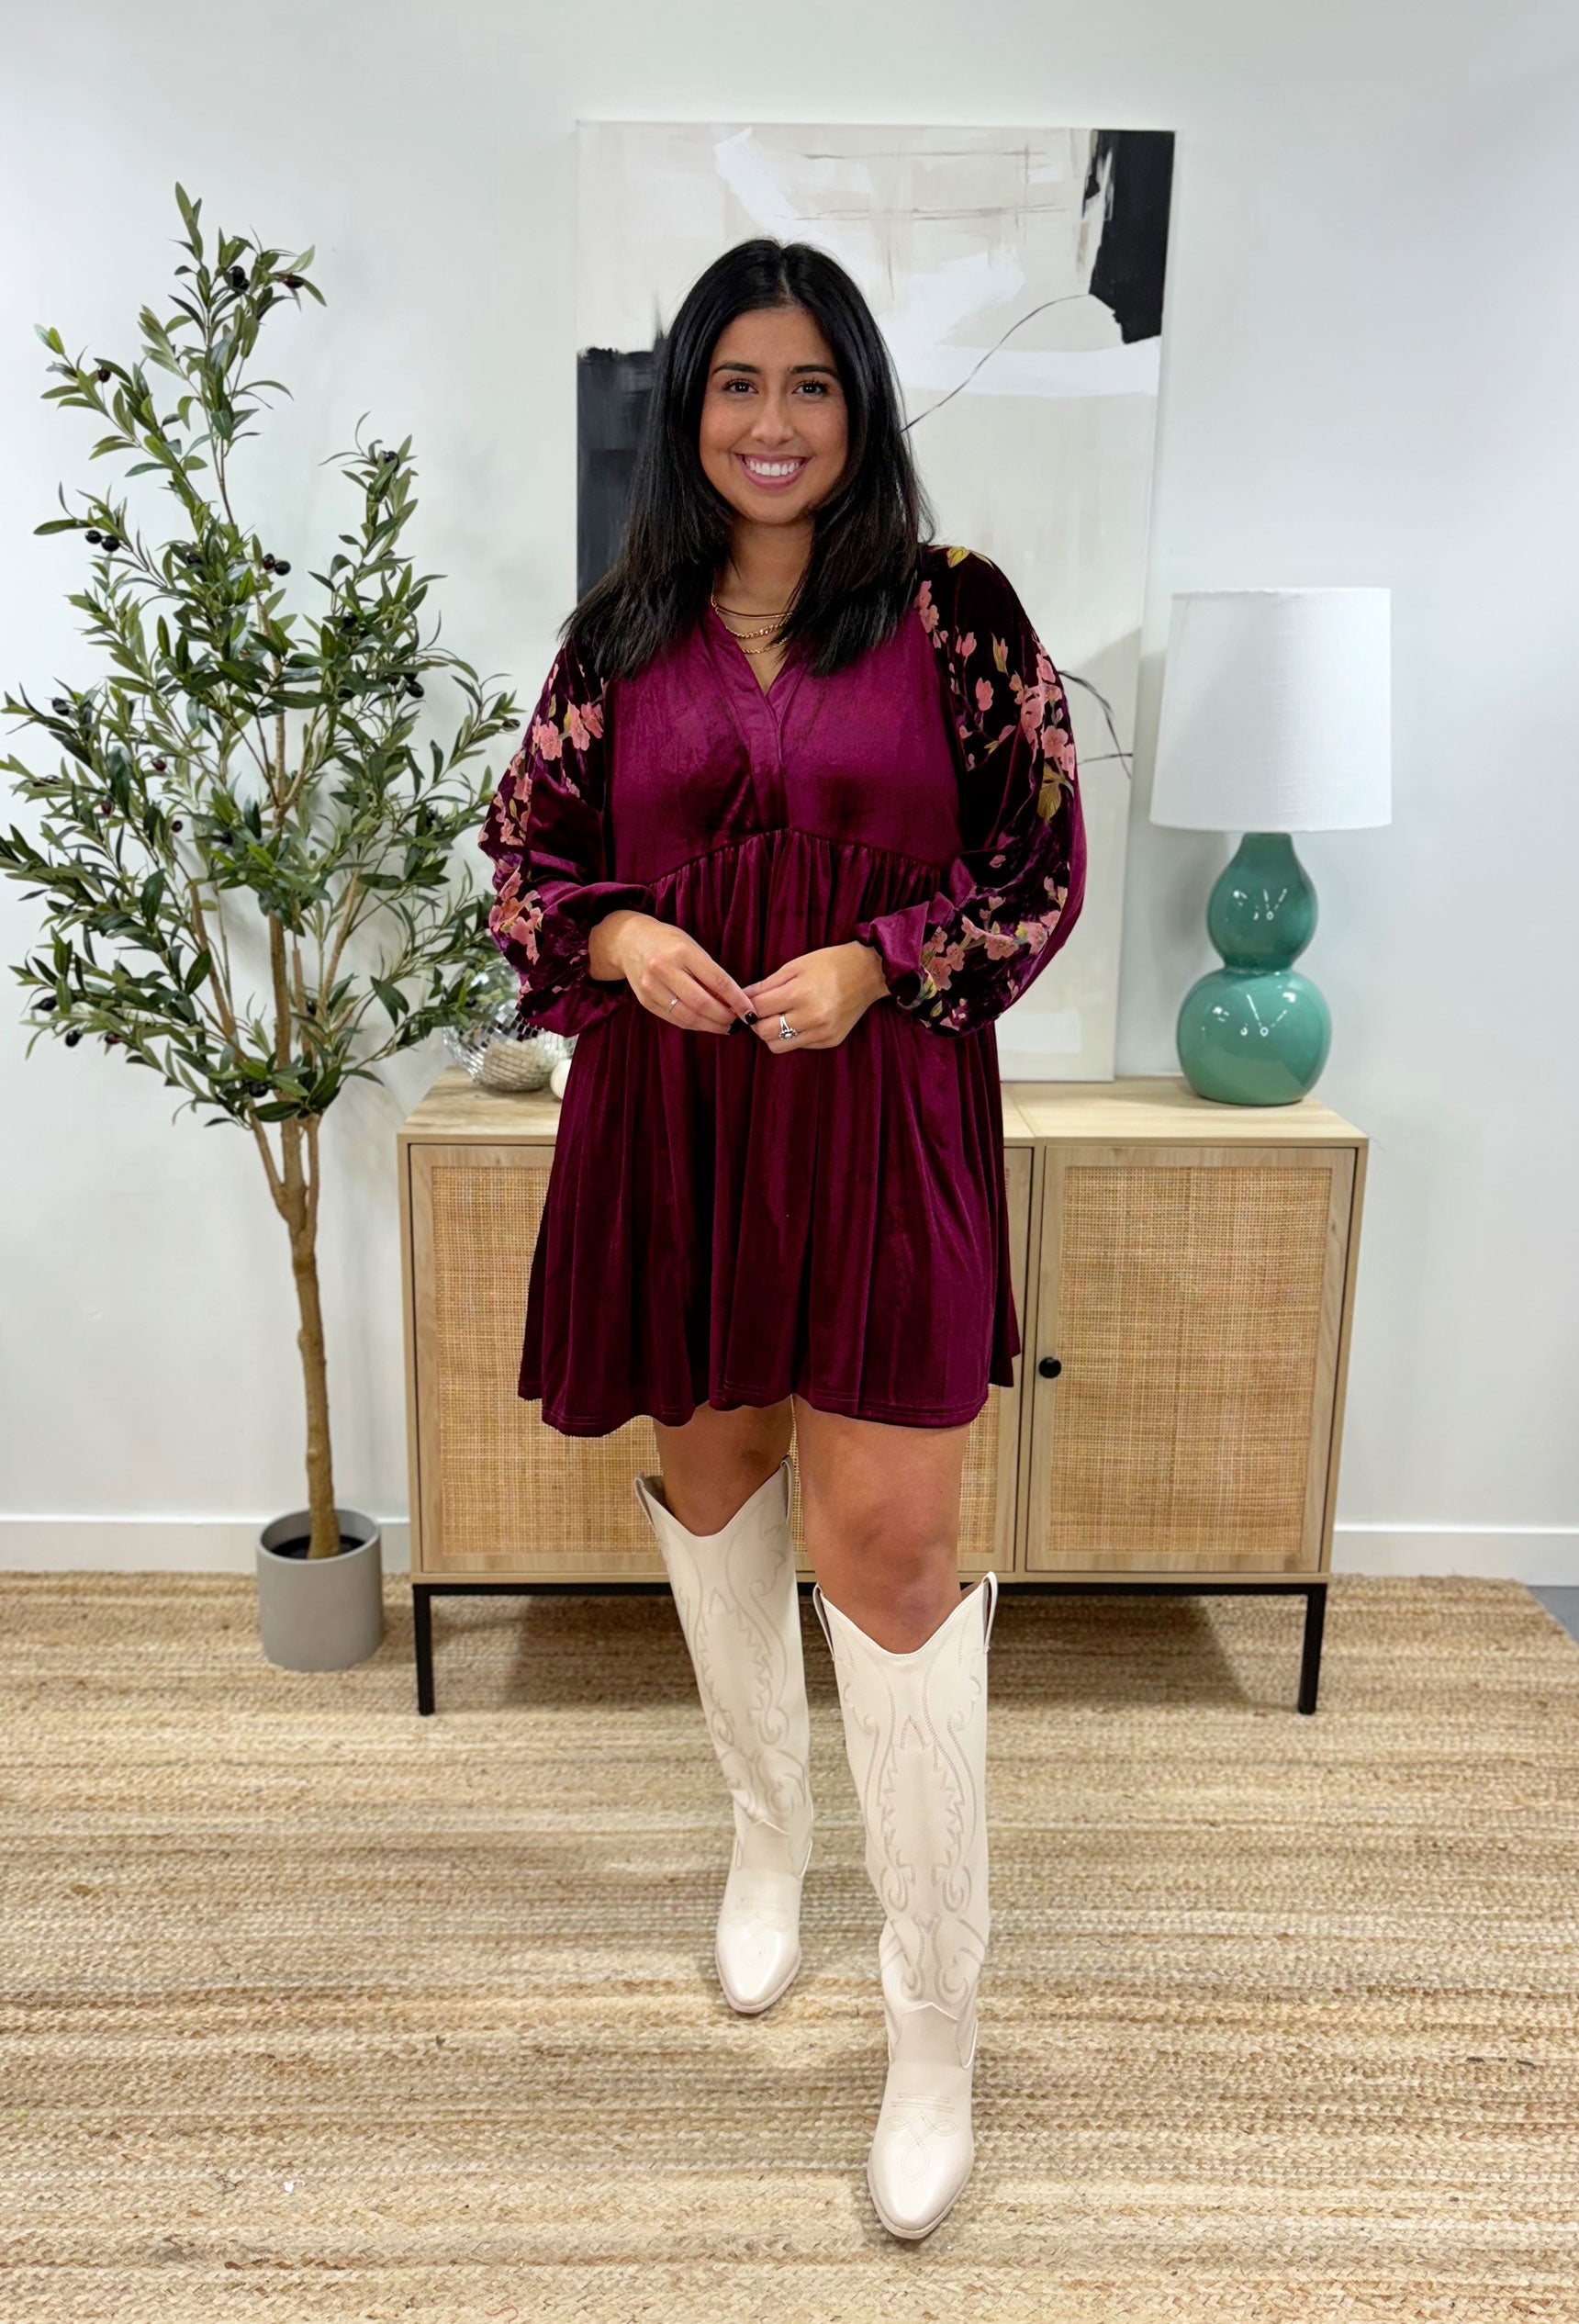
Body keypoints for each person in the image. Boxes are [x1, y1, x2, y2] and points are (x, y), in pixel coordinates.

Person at [477, 237, 1086, 2241]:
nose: (771, 420)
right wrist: (616, 939)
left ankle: (933, 2027)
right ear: (688, 409)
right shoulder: (618, 634)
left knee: (891, 1550)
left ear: (859, 406)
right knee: (717, 1471)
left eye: (810, 382)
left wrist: (880, 960)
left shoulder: (954, 614)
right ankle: (767, 1837)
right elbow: (526, 865)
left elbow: (1037, 866)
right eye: (736, 382)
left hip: (885, 1124)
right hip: (678, 1126)